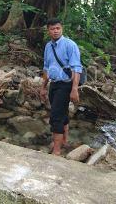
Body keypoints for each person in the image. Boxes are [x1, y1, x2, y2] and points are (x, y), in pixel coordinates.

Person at [40, 18, 82, 156]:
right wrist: (43, 87)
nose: (55, 31)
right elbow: (46, 67)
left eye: (58, 28)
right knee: (62, 112)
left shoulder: (70, 45)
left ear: (61, 29)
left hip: (66, 84)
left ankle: (56, 151)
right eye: (52, 29)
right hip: (54, 83)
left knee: (56, 116)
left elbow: (77, 68)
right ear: (48, 31)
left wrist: (74, 89)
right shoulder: (48, 46)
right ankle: (64, 140)